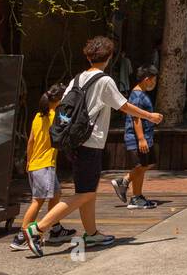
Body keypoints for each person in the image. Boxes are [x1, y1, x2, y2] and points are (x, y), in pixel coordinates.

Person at [21, 36, 163, 256]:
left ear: (88, 57)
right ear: (109, 58)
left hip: (73, 142)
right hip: (91, 143)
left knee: (87, 191)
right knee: (84, 193)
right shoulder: (105, 81)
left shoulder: (77, 79)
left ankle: (92, 233)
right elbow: (124, 106)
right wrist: (150, 116)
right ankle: (38, 228)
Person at [11, 84, 77, 251]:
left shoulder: (38, 116)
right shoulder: (57, 117)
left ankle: (55, 229)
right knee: (37, 201)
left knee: (56, 194)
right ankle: (22, 235)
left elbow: (31, 140)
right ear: (60, 100)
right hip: (45, 166)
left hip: (36, 164)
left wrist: (28, 161)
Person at [112, 66, 159, 210]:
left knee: (145, 165)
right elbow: (136, 118)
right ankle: (124, 181)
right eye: (154, 80)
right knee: (141, 166)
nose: (155, 83)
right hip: (137, 137)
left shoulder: (141, 94)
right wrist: (141, 138)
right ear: (147, 80)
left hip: (145, 135)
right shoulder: (137, 95)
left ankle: (137, 197)